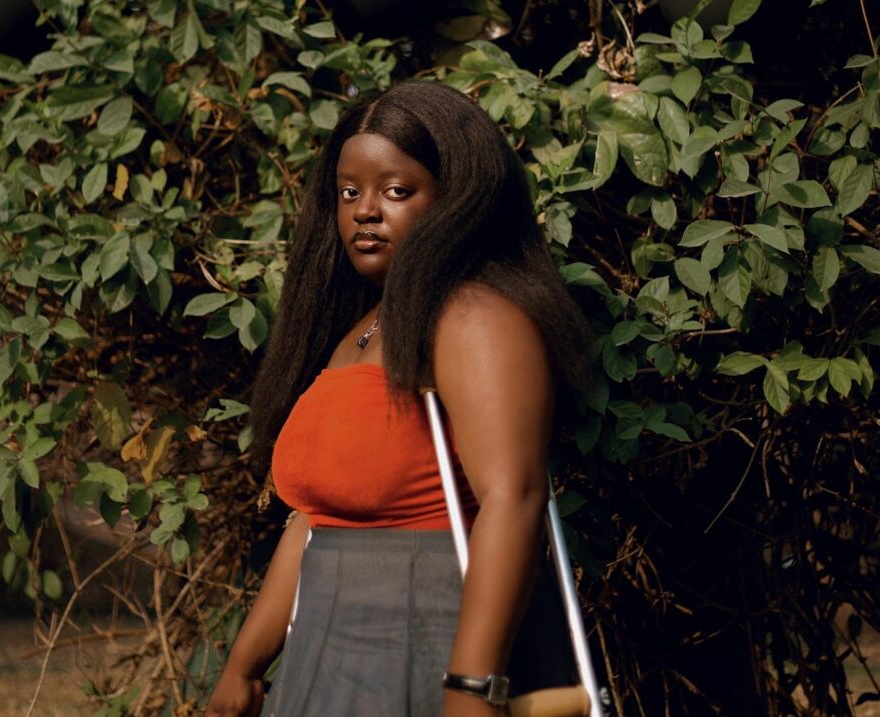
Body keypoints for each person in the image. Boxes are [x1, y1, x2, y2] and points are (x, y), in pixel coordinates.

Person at [205, 81, 591, 717]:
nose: (364, 211)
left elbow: (515, 498)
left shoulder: (474, 317)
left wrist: (472, 684)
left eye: (396, 190)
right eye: (349, 192)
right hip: (324, 657)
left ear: (457, 197)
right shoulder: (359, 333)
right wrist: (245, 667)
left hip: (430, 636)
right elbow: (314, 520)